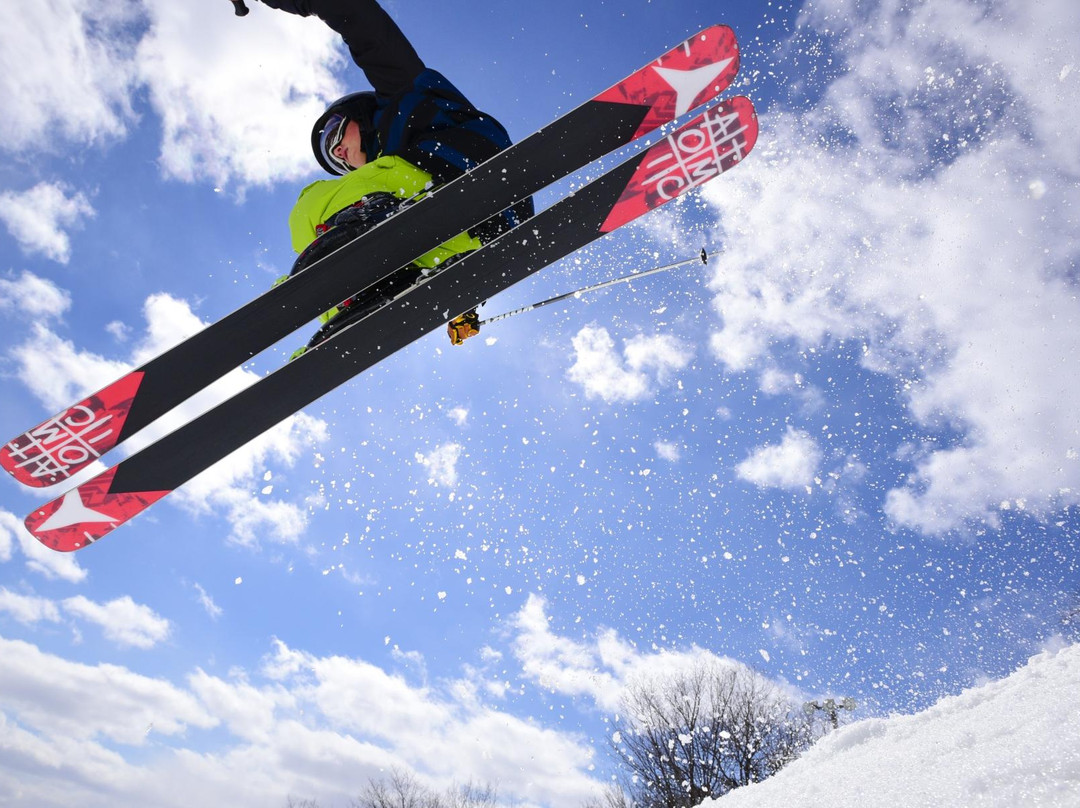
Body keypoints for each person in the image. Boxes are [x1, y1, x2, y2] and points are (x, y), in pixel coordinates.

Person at [257, 0, 532, 351]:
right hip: (472, 232)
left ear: (358, 113)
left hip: (460, 171)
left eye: (334, 134)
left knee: (310, 202)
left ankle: (356, 253)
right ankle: (366, 301)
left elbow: (359, 19)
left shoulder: (401, 96)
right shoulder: (383, 175)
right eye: (333, 158)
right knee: (399, 254)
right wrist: (467, 301)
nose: (338, 153)